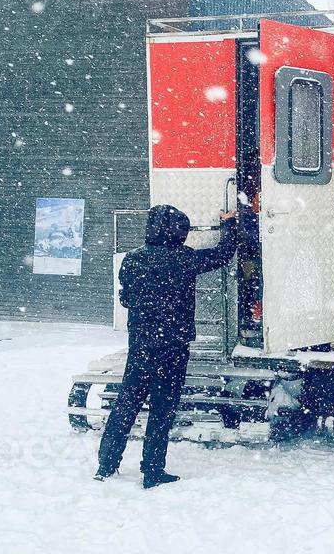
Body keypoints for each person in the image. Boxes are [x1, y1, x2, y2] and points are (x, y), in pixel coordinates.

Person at [96, 204, 237, 488]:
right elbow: (223, 254)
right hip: (173, 346)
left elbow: (125, 299)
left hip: (141, 345)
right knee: (162, 410)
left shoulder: (132, 260)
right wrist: (229, 224)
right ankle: (152, 471)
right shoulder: (184, 259)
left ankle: (106, 464)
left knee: (126, 404)